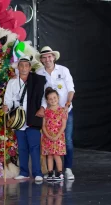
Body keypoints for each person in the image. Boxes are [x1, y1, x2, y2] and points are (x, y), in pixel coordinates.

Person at [4, 56, 47, 182]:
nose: (23, 68)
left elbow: (44, 96)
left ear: (30, 67)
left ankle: (37, 173)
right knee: (22, 147)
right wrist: (7, 106)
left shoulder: (38, 80)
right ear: (18, 67)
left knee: (34, 146)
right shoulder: (12, 82)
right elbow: (9, 99)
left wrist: (43, 108)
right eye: (21, 65)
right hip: (18, 118)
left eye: (26, 65)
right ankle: (24, 172)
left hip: (33, 116)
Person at [35, 46, 75, 180]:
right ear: (41, 60)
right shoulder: (39, 73)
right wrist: (42, 107)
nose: (47, 59)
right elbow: (41, 94)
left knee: (67, 140)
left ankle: (67, 169)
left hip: (64, 112)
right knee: (49, 142)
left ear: (54, 57)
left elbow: (71, 89)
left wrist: (67, 103)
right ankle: (51, 171)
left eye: (49, 56)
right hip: (49, 114)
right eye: (44, 57)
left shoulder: (63, 70)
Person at [42, 87, 67, 181]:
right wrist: (48, 136)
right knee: (49, 155)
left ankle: (60, 173)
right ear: (47, 101)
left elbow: (63, 125)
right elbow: (43, 126)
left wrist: (57, 136)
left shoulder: (62, 111)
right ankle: (50, 172)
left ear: (58, 98)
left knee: (57, 155)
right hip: (47, 137)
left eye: (54, 98)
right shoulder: (46, 111)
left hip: (58, 137)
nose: (53, 100)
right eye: (50, 99)